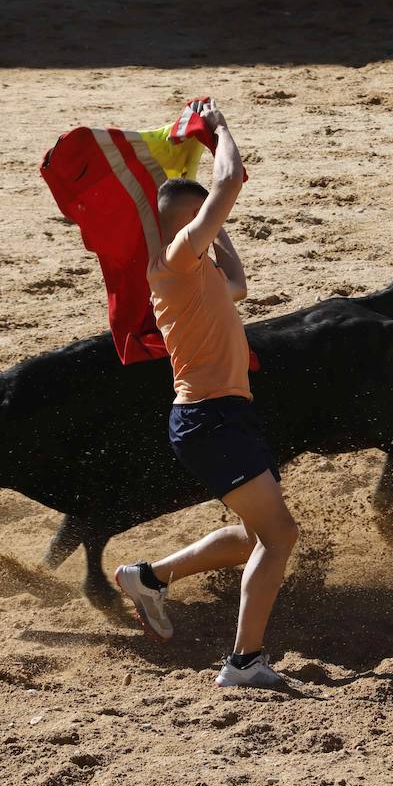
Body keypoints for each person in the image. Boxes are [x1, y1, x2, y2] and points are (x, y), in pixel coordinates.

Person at [114, 99, 299, 689]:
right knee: (280, 536)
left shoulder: (199, 272)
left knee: (252, 536)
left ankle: (150, 577)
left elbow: (240, 286)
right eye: (205, 222)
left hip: (221, 417)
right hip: (209, 419)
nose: (213, 225)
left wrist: (220, 235)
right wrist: (218, 130)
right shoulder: (171, 261)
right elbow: (230, 180)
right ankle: (244, 662)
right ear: (182, 226)